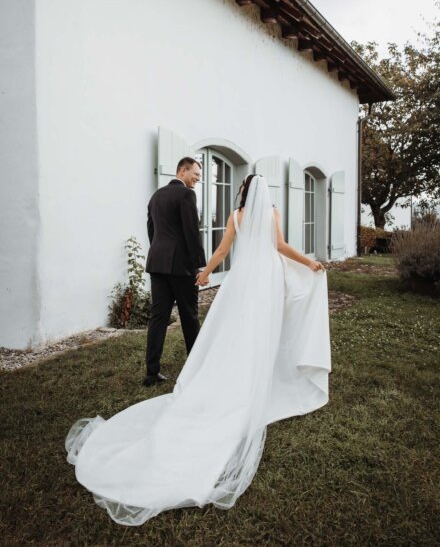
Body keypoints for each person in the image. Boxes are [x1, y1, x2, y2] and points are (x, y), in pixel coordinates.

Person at [66, 174, 331, 526]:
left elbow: (223, 251)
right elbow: (280, 246)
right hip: (267, 278)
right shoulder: (273, 214)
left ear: (244, 192)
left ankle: (233, 374)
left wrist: (206, 273)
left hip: (242, 280)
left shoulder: (236, 216)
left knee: (236, 330)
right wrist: (308, 262)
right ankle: (259, 375)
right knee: (262, 330)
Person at [143, 157, 206, 387]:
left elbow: (151, 230)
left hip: (158, 264)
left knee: (158, 318)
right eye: (195, 174)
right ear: (182, 170)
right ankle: (196, 369)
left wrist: (160, 252)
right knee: (189, 317)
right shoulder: (187, 195)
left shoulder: (156, 195)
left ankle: (151, 373)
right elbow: (192, 232)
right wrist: (199, 266)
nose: (197, 179)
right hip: (181, 267)